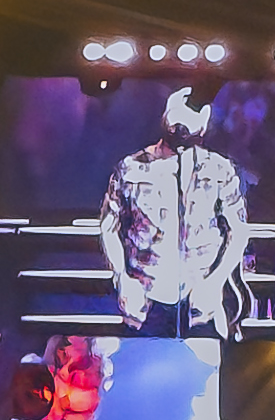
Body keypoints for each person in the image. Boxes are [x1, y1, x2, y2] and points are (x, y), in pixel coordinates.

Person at [97, 85, 251, 339]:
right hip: (145, 298)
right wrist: (122, 277)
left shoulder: (219, 169)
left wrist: (215, 281)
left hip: (200, 299)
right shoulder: (131, 167)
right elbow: (108, 227)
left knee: (206, 369)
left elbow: (239, 230)